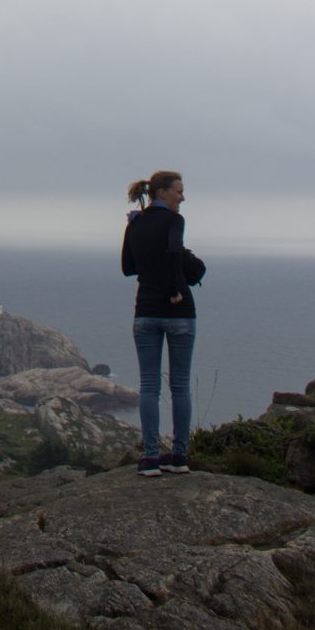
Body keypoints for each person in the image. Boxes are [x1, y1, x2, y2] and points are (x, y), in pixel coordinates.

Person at [121, 169, 205, 476]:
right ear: (162, 192)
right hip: (179, 311)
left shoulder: (135, 222)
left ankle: (151, 457)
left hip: (145, 311)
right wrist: (173, 290)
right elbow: (172, 253)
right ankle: (179, 456)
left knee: (149, 387)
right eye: (179, 191)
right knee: (180, 386)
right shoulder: (174, 221)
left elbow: (128, 267)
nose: (183, 197)